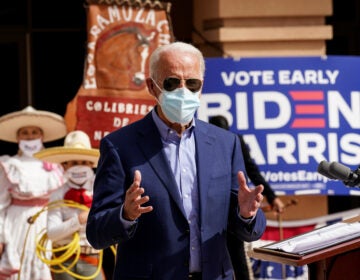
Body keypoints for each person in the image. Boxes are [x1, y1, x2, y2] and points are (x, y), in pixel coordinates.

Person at [86, 41, 266, 280]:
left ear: (201, 87)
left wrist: (247, 214)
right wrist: (125, 214)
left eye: (192, 83)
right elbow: (96, 232)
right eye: (172, 83)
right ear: (152, 86)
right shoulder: (120, 146)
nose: (183, 92)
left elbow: (247, 228)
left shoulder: (225, 144)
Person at [209, 115, 285, 280]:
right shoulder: (202, 142)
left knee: (237, 255)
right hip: (209, 207)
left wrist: (272, 197)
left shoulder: (235, 142)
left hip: (233, 206)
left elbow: (251, 169)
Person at [0, 105, 67, 280]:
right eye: (25, 133)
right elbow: (1, 203)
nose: (30, 137)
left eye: (34, 132)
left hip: (45, 223)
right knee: (19, 265)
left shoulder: (55, 167)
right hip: (16, 223)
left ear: (41, 135)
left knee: (42, 265)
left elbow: (60, 201)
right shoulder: (9, 165)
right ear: (17, 137)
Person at [33, 130, 105, 280]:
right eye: (74, 163)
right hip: (64, 260)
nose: (79, 166)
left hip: (91, 258)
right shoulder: (57, 194)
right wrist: (78, 221)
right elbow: (52, 233)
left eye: (84, 162)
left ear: (91, 164)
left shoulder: (100, 190)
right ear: (65, 165)